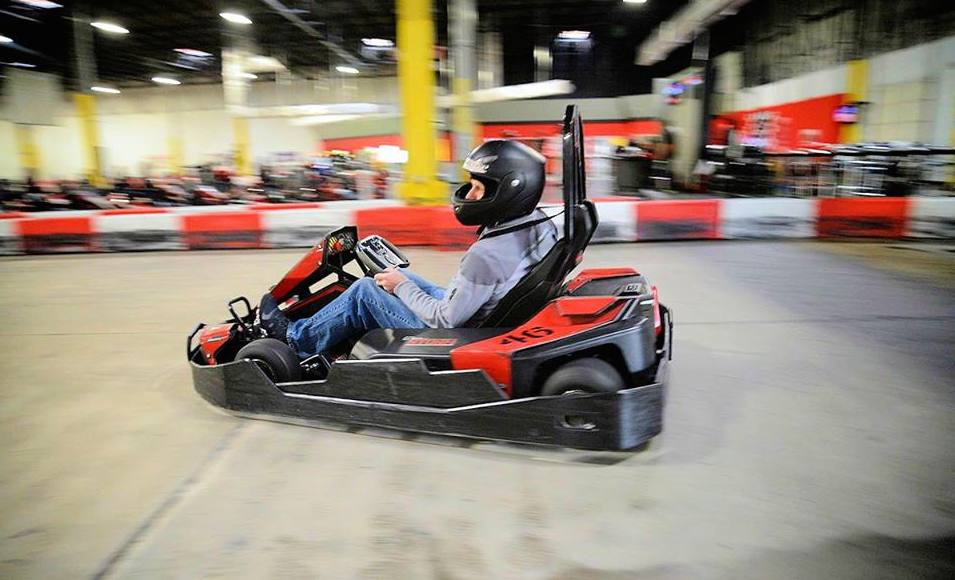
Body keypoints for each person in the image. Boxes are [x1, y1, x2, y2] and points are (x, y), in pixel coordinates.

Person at [258, 140, 559, 359]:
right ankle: (334, 325)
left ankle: (297, 339)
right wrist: (401, 282)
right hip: (482, 311)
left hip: (454, 333)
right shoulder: (541, 225)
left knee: (365, 290)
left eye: (478, 188)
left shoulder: (487, 255)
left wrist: (401, 286)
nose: (469, 195)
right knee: (390, 277)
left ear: (509, 191)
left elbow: (445, 320)